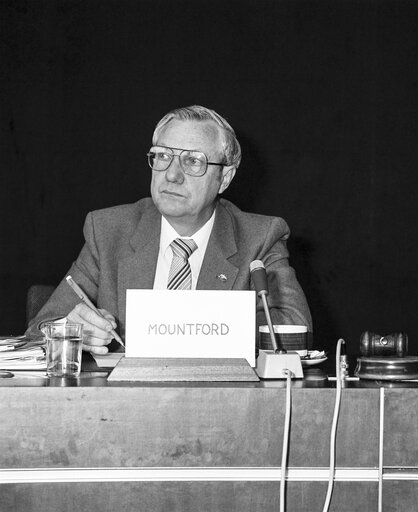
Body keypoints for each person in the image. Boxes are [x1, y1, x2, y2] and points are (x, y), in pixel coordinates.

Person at [27, 105, 312, 354]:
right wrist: (74, 331)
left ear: (224, 178)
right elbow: (38, 331)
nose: (172, 175)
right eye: (162, 156)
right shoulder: (109, 231)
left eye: (193, 161)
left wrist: (192, 327)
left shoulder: (259, 237)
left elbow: (296, 330)